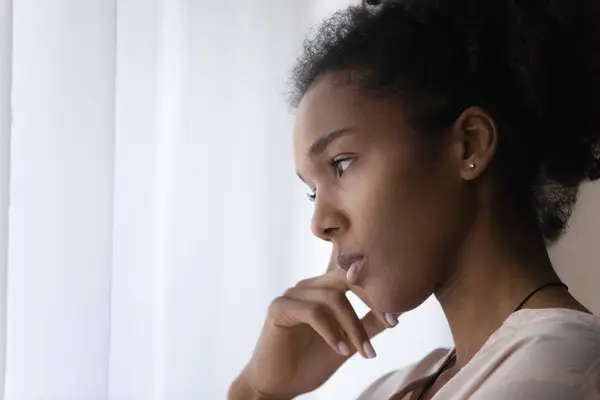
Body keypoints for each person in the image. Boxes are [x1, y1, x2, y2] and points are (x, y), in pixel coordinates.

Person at [228, 0, 600, 398]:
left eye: (342, 163)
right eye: (312, 191)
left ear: (469, 145)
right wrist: (259, 388)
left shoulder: (559, 367)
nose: (319, 223)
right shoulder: (404, 385)